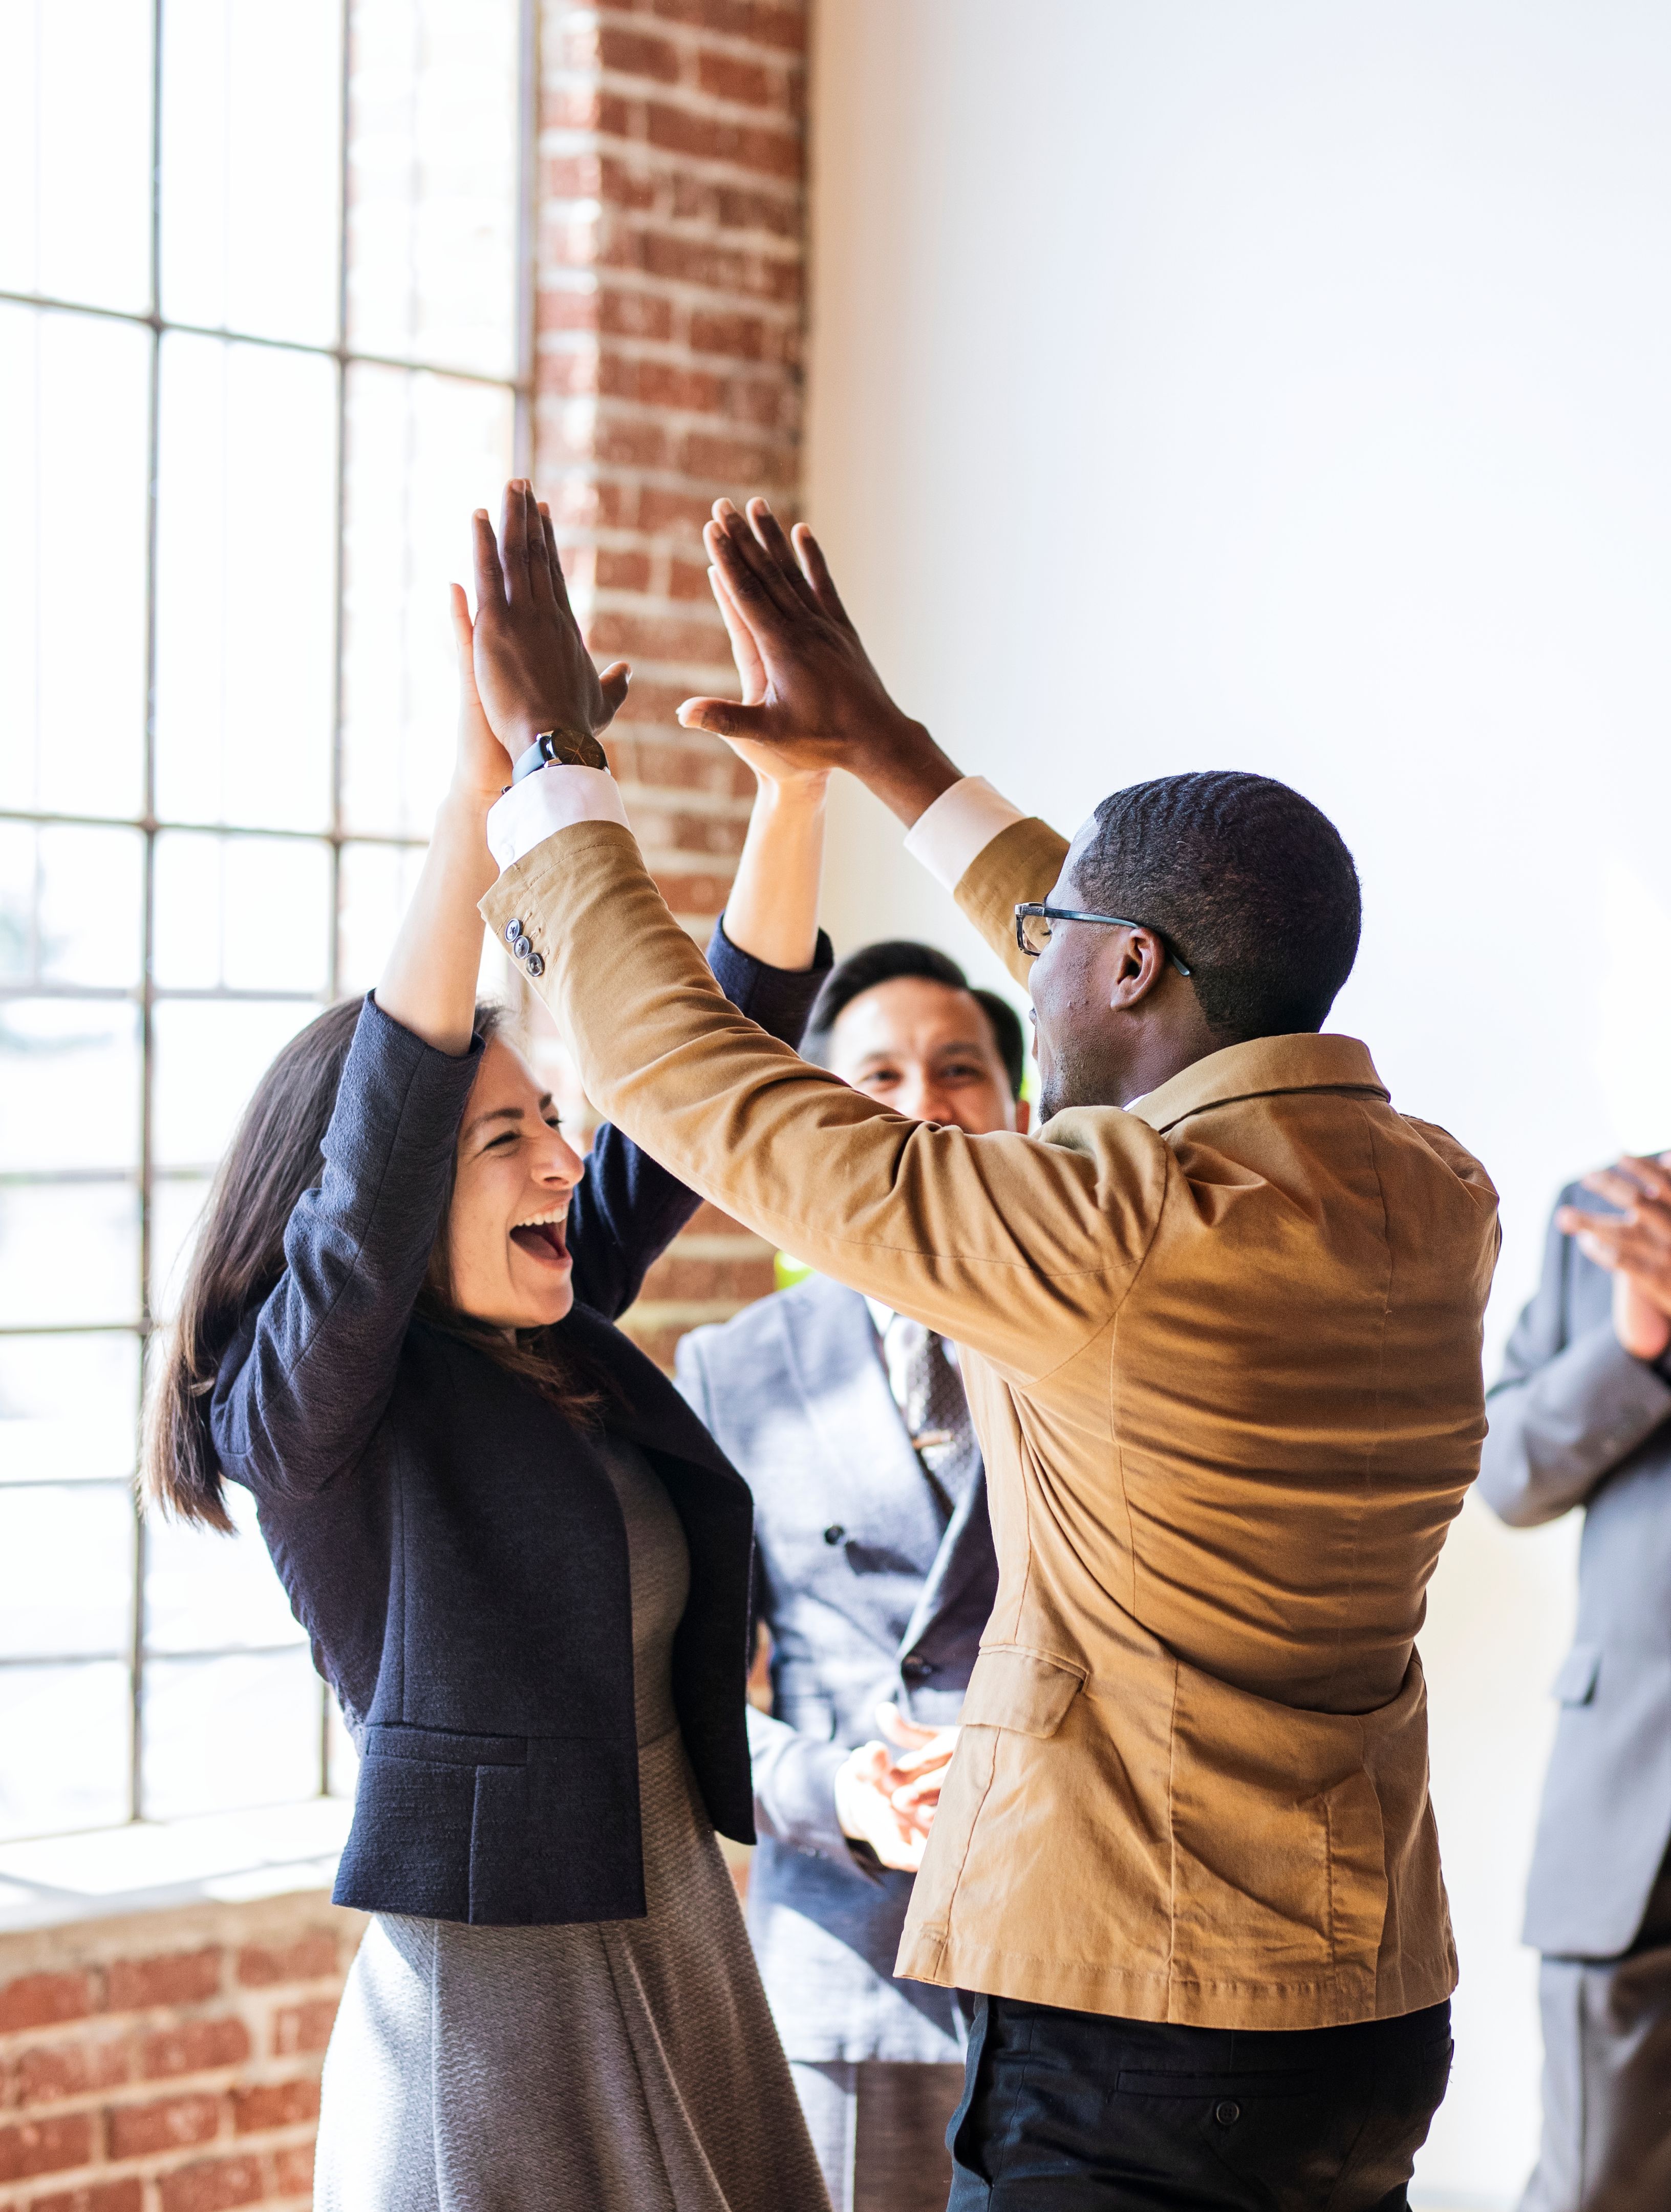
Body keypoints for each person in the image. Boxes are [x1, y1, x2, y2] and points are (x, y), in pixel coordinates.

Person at [466, 480, 1501, 2209]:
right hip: (1370, 2009)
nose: (1029, 976)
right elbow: (1156, 953)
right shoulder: (1424, 1188)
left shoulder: (1105, 1222)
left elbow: (686, 1079)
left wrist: (547, 768)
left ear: (1123, 971)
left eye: (1055, 952)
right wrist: (891, 753)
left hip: (1143, 2029)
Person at [143, 548, 834, 2212]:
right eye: (504, 1133)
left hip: (673, 1930)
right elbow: (377, 1186)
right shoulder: (315, 1415)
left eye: (552, 1119)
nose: (560, 1161)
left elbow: (705, 1075)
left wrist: (799, 790)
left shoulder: (555, 1332)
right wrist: (481, 801)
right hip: (498, 1995)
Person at [676, 938, 1026, 2212]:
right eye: (876, 1073)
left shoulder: (1091, 1340)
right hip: (846, 1964)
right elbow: (683, 1705)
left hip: (1071, 1961)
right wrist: (840, 1795)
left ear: (1019, 1108)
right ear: (820, 1113)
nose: (923, 1102)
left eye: (960, 1070)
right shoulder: (733, 1367)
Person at [1477, 1151, 1671, 2211]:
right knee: (1594, 2185)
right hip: (1635, 1798)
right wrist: (1634, 1337)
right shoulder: (1607, 1212)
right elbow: (1506, 1474)